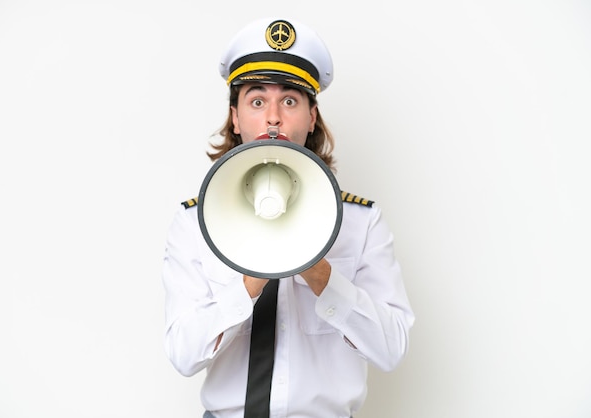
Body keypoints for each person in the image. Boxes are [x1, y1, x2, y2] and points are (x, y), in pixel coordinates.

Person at [162, 17, 415, 418]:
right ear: (235, 116)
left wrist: (322, 277)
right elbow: (183, 354)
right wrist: (248, 282)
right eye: (257, 101)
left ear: (312, 117)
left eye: (291, 101)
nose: (273, 117)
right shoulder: (195, 223)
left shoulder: (361, 221)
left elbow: (391, 349)